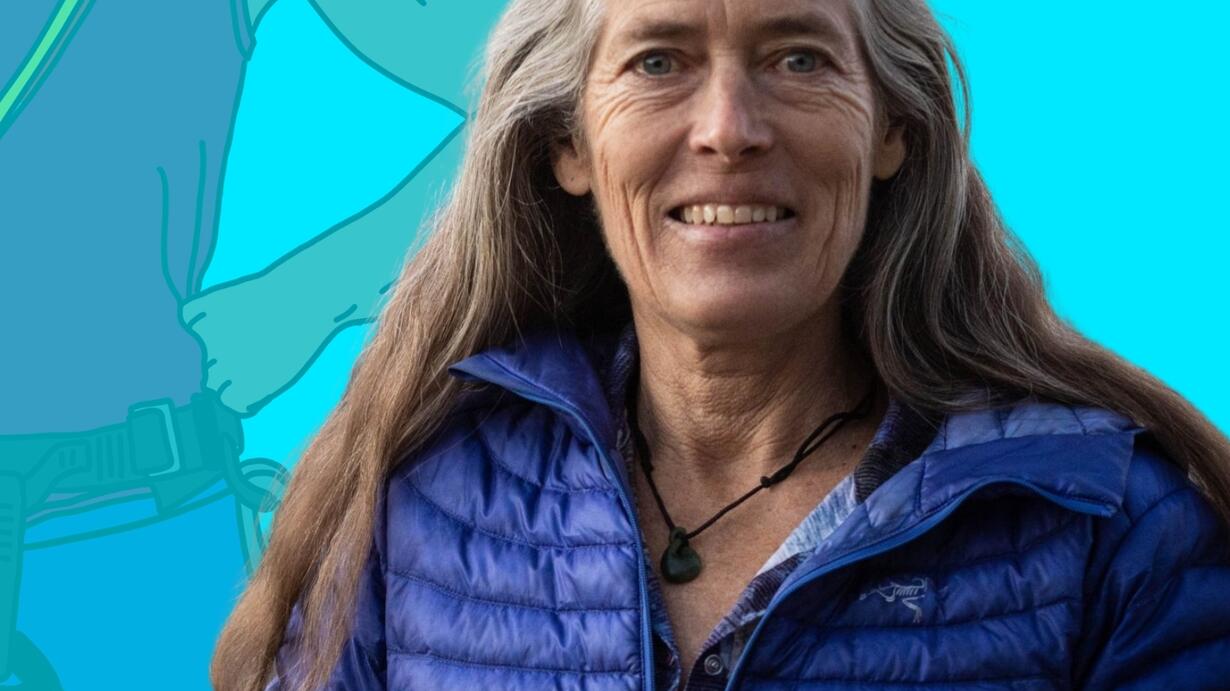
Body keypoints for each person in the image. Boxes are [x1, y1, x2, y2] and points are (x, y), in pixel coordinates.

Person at [212, 0, 1230, 689]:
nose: (729, 129)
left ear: (892, 130)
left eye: (799, 58)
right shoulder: (418, 501)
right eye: (658, 60)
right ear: (569, 143)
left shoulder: (1110, 525)